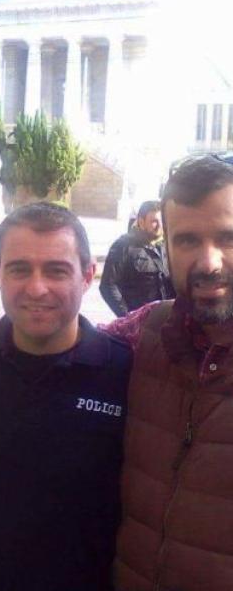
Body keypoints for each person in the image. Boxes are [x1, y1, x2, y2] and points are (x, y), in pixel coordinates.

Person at [0, 202, 132, 590]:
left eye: (57, 270)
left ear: (88, 275)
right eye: (19, 269)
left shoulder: (125, 373)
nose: (37, 288)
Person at [105, 155, 233, 591]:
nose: (209, 262)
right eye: (188, 240)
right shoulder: (148, 330)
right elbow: (66, 341)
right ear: (167, 248)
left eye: (228, 238)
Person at [100, 200, 175, 316]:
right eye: (154, 221)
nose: (159, 226)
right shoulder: (123, 246)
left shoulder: (168, 245)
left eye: (162, 221)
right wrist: (127, 317)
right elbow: (108, 285)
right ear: (141, 221)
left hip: (167, 320)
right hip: (139, 322)